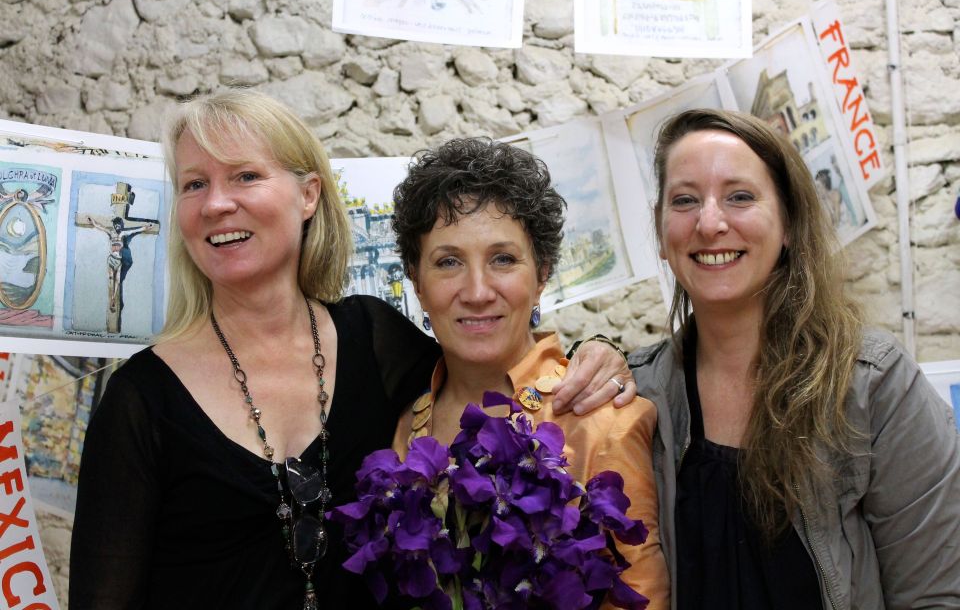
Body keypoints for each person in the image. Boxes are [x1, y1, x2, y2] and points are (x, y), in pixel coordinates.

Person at [69, 90, 635, 610]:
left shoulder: (373, 338)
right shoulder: (140, 401)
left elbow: (485, 363)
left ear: (308, 194)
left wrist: (598, 351)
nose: (216, 203)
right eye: (194, 184)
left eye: (245, 176)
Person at [629, 108, 960, 610]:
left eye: (740, 197)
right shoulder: (636, 398)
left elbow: (936, 595)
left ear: (788, 223)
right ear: (660, 232)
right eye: (685, 200)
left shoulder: (875, 385)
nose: (710, 222)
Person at [389, 137, 670, 608]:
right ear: (417, 282)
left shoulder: (605, 421)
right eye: (448, 262)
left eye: (502, 259)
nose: (477, 291)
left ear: (542, 275)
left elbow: (641, 596)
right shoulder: (403, 425)